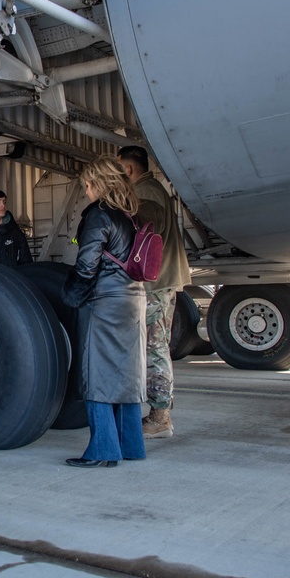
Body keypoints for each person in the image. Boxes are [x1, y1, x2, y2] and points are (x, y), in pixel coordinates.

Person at [62, 156, 147, 468]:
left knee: (95, 372)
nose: (85, 191)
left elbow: (87, 265)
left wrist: (71, 295)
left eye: (87, 184)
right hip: (133, 300)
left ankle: (103, 449)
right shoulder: (130, 215)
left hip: (104, 301)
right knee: (126, 373)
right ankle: (131, 445)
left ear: (97, 183)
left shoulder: (99, 216)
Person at [117, 146, 191, 439]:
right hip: (161, 281)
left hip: (156, 284)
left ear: (128, 170)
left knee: (155, 348)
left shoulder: (146, 193)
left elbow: (145, 232)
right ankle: (159, 413)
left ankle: (160, 416)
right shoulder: (152, 189)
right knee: (155, 346)